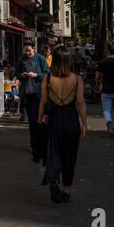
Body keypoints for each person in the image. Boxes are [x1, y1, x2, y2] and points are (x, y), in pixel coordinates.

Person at [38, 47, 87, 204]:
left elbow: (43, 101)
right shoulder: (77, 79)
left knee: (53, 151)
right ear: (68, 61)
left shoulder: (48, 77)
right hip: (71, 119)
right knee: (69, 155)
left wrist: (39, 119)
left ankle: (53, 180)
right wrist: (84, 124)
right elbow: (80, 102)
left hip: (54, 118)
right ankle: (66, 190)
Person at [16, 40, 50, 153]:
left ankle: (39, 143)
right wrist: (21, 75)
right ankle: (34, 144)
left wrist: (36, 75)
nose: (27, 53)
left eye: (29, 51)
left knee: (38, 120)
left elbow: (47, 73)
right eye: (26, 51)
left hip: (38, 94)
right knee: (32, 120)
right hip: (27, 94)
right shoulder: (22, 59)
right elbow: (17, 74)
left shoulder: (40, 58)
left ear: (34, 49)